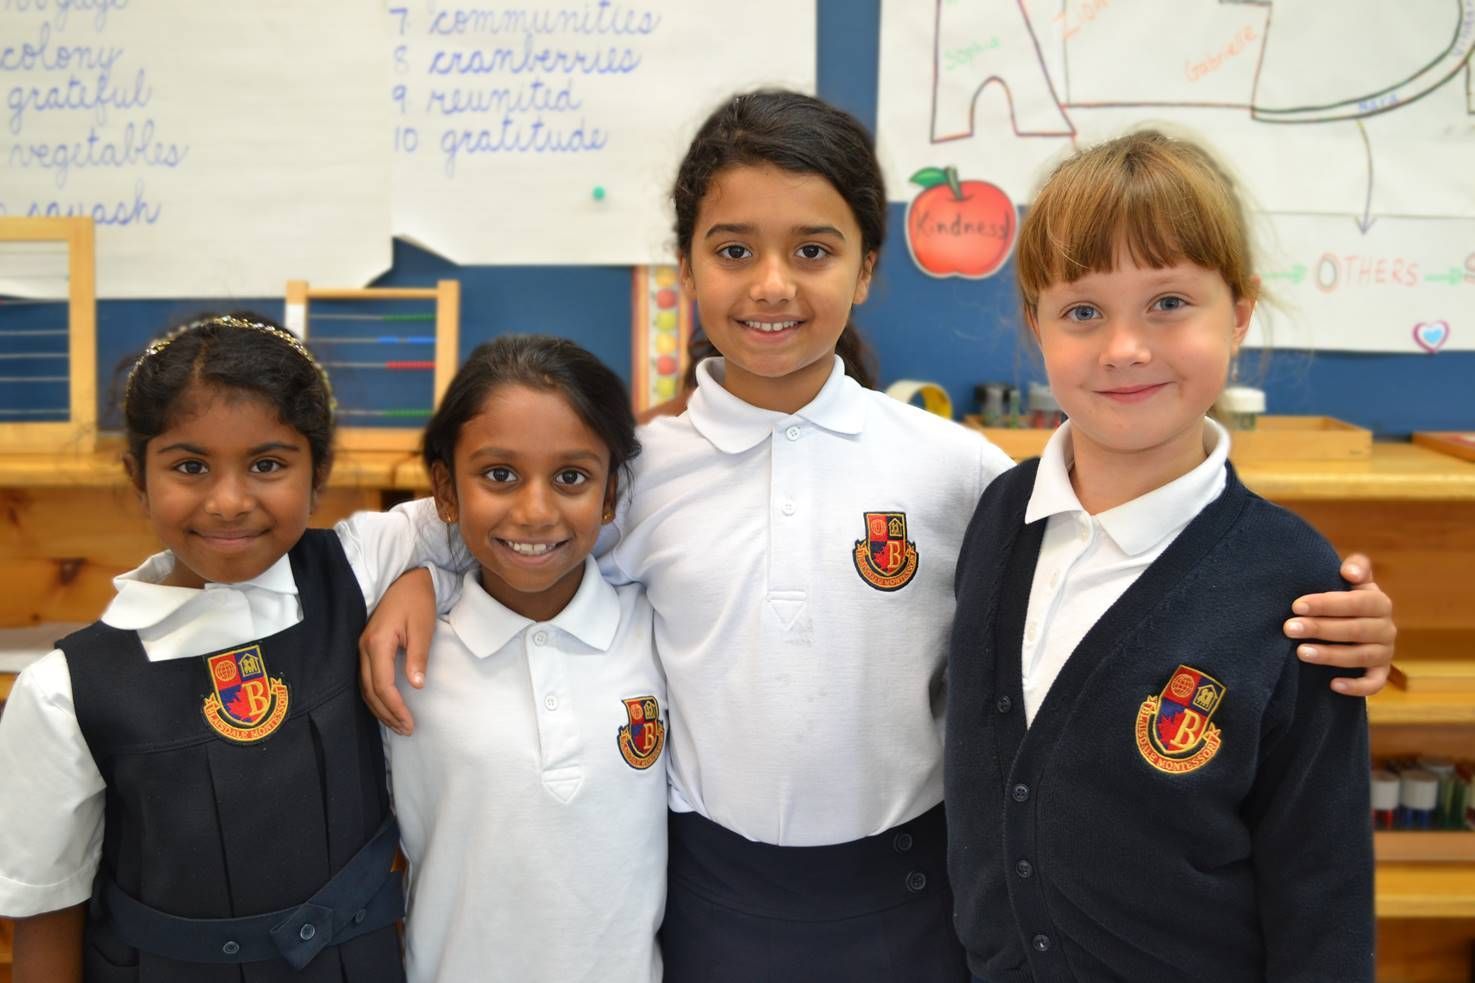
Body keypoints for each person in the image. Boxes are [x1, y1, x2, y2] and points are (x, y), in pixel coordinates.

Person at [361, 92, 1396, 981]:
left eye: (812, 251)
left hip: (916, 896)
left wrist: (1338, 614)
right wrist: (420, 569)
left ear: (865, 270)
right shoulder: (638, 466)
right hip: (710, 892)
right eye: (733, 251)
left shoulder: (960, 475)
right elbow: (509, 523)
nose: (771, 285)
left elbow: (1151, 545)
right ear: (685, 268)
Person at [946, 130, 1373, 982]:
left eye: (1169, 303)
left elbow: (1320, 884)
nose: (1124, 348)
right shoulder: (998, 514)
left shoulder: (1293, 584)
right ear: (1036, 325)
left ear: (1239, 312)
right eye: (1081, 312)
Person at [0, 313, 463, 983]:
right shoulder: (63, 690)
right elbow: (47, 919)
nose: (228, 501)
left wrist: (417, 580)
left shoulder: (363, 565)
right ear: (137, 475)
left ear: (318, 470)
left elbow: (499, 529)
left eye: (267, 464)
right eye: (189, 466)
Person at [385, 335, 666, 982]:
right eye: (499, 474)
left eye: (570, 476)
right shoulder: (405, 657)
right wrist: (417, 579)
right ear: (445, 491)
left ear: (608, 494)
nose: (535, 510)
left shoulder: (656, 633)